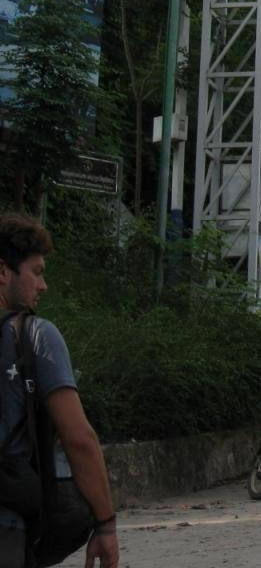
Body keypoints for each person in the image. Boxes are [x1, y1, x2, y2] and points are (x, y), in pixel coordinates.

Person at [0, 213, 119, 568]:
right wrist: (106, 523)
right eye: (36, 272)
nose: (43, 285)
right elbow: (79, 438)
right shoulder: (35, 335)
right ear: (3, 271)